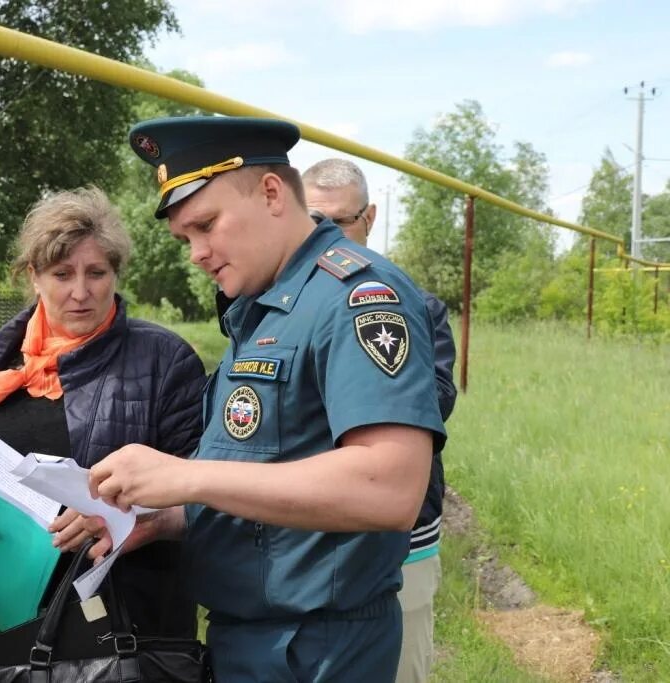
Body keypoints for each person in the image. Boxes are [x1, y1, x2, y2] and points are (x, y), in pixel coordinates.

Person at [86, 116, 447, 682]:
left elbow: (391, 485)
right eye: (185, 238)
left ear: (273, 193)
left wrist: (187, 477)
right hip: (255, 642)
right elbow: (274, 470)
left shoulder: (356, 296)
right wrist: (172, 516)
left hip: (318, 651)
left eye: (206, 225)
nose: (197, 253)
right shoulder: (268, 303)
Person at [0, 186, 206, 672]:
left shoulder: (165, 361)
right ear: (34, 276)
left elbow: (206, 489)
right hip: (8, 643)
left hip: (127, 645)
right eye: (62, 274)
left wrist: (125, 519)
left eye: (96, 273)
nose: (81, 292)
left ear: (116, 273)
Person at [303, 157, 457, 683]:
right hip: (307, 534)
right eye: (314, 220)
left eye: (340, 222)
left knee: (399, 666)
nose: (327, 235)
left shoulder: (411, 303)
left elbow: (432, 400)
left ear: (368, 218)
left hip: (399, 537)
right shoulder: (280, 308)